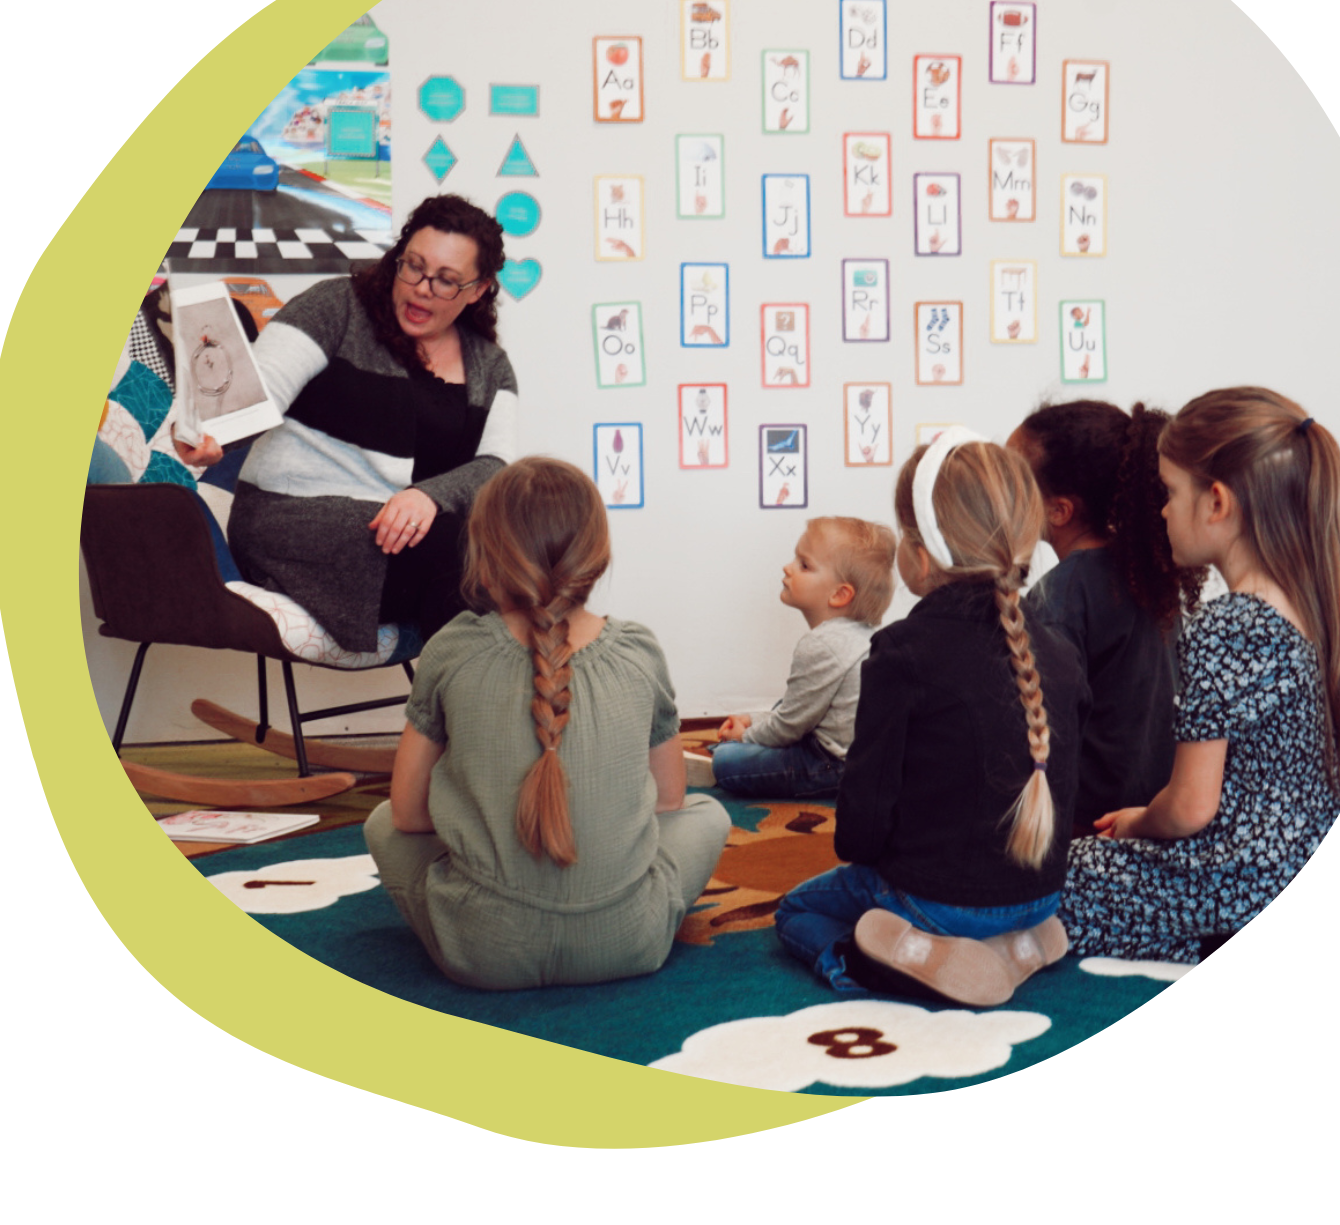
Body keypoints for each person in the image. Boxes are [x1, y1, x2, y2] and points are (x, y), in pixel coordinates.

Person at [364, 457, 732, 990]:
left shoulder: (453, 648)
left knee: (379, 822)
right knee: (709, 815)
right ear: (597, 559)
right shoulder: (638, 650)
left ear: (485, 556)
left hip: (480, 951)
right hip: (631, 940)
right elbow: (669, 801)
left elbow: (408, 813)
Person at [1060, 388, 1340, 964]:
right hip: (1290, 863)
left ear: (1217, 503)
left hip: (1236, 884)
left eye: (1170, 492)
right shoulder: (1320, 606)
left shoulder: (1228, 625)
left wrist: (1137, 821)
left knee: (1060, 874)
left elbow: (1188, 808)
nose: (1160, 511)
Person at [775, 430, 1090, 1007]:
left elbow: (860, 830)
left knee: (799, 909)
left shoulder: (902, 652)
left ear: (922, 554)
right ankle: (1013, 944)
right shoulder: (1061, 652)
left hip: (937, 900)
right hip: (1044, 894)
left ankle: (881, 965)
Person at [224, 194, 517, 653]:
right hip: (294, 523)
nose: (422, 287)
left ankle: (481, 710)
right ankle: (482, 717)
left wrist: (428, 496)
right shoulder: (335, 307)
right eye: (413, 266)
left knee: (507, 555)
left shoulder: (490, 365)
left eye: (446, 281)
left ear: (477, 290)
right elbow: (258, 391)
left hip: (410, 539)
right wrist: (218, 435)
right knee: (465, 556)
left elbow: (495, 467)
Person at [1007, 400, 1208, 833]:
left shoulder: (1056, 601)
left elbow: (1039, 745)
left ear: (1059, 510)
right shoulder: (1147, 576)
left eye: (1011, 480)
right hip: (1150, 821)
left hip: (1092, 833)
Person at [711, 517, 896, 799]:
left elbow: (789, 727)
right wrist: (752, 719)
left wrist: (744, 736)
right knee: (783, 704)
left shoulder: (821, 644)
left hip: (835, 764)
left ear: (839, 594)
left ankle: (738, 748)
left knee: (726, 762)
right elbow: (795, 711)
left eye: (804, 565)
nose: (788, 567)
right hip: (853, 749)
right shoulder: (857, 635)